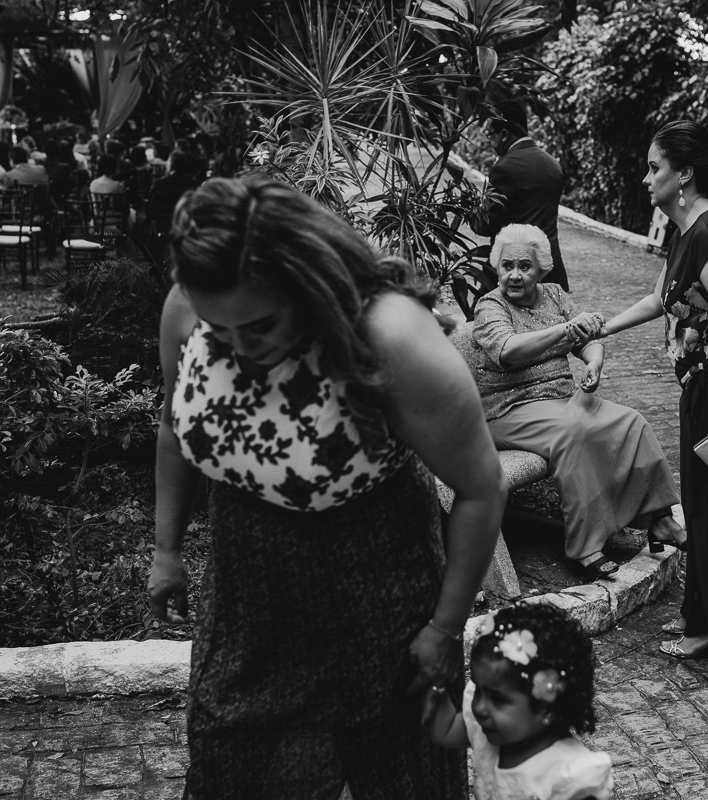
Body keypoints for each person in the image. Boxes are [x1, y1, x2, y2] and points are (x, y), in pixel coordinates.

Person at [148, 176, 508, 797]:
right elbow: (173, 423)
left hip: (380, 616)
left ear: (306, 281)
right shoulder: (191, 304)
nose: (237, 346)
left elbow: (482, 489)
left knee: (404, 784)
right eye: (221, 329)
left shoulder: (389, 334)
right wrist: (167, 548)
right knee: (230, 774)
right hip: (249, 614)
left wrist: (445, 631)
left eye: (258, 327)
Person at [598, 120, 708, 676]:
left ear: (684, 173)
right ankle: (703, 625)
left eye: (655, 167)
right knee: (701, 507)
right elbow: (658, 300)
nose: (646, 177)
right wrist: (598, 330)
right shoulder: (685, 230)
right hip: (704, 387)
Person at [465, 223, 685, 580]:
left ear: (541, 270)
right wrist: (565, 330)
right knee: (574, 432)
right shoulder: (490, 305)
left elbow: (588, 340)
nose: (515, 275)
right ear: (497, 267)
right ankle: (584, 547)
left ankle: (660, 520)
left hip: (562, 400)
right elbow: (507, 350)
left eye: (525, 266)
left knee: (630, 421)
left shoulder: (554, 295)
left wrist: (594, 361)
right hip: (508, 409)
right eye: (507, 266)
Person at [422, 602, 613, 800]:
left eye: (498, 699)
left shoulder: (567, 777)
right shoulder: (486, 734)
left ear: (548, 709)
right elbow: (446, 730)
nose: (479, 707)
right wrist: (436, 683)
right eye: (478, 690)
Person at [466, 99, 569, 291]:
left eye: (490, 135)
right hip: (551, 266)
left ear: (503, 134)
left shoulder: (505, 168)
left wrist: (469, 209)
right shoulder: (552, 163)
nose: (490, 143)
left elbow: (488, 223)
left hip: (516, 271)